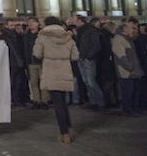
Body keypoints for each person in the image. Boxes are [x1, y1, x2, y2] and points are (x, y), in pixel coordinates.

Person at [33, 16, 79, 145]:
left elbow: (37, 54)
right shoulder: (68, 36)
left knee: (57, 103)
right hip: (64, 69)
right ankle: (69, 129)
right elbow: (75, 55)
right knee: (63, 102)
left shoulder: (42, 36)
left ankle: (64, 133)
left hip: (51, 70)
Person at [112, 19, 144, 117]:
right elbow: (121, 57)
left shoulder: (128, 38)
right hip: (126, 72)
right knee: (128, 92)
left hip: (134, 71)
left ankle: (134, 108)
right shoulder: (118, 39)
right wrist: (131, 68)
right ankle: (128, 110)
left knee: (135, 91)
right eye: (132, 28)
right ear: (126, 28)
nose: (135, 30)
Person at [74, 15, 105, 110]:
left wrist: (88, 56)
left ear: (80, 20)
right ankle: (93, 101)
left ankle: (100, 102)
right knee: (86, 82)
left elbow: (96, 45)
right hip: (81, 59)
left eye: (74, 20)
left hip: (88, 59)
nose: (73, 22)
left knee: (91, 81)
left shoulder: (90, 30)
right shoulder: (80, 31)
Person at [23, 16, 49, 110]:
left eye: (33, 22)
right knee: (33, 82)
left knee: (43, 82)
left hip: (42, 62)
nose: (31, 24)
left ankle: (44, 101)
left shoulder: (42, 34)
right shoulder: (26, 36)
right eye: (29, 22)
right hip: (30, 62)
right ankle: (36, 100)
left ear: (38, 23)